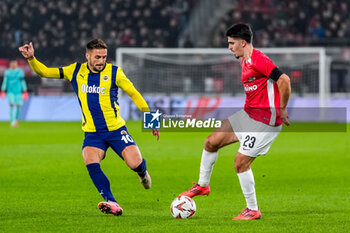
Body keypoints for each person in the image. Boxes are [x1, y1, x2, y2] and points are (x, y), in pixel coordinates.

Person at [19, 39, 160, 216]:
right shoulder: (75, 70)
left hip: (116, 130)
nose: (101, 61)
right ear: (87, 56)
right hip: (93, 133)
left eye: (104, 57)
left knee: (135, 163)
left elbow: (134, 93)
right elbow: (45, 72)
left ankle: (142, 173)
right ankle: (111, 201)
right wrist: (32, 58)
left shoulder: (114, 73)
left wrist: (152, 120)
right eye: (97, 57)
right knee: (90, 161)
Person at [179, 23, 291, 220]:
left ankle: (252, 209)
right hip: (248, 114)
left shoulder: (259, 60)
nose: (229, 47)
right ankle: (203, 185)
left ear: (243, 42)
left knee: (240, 163)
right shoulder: (244, 60)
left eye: (231, 43)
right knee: (211, 142)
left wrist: (282, 108)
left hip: (265, 121)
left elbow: (284, 80)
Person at [1, 60, 28, 127]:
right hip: (10, 92)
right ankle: (12, 121)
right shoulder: (7, 72)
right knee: (12, 104)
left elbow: (22, 82)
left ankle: (15, 119)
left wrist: (25, 91)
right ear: (10, 64)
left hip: (18, 92)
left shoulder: (20, 72)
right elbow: (5, 81)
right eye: (12, 64)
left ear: (16, 64)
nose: (13, 65)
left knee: (18, 106)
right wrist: (3, 90)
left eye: (15, 64)